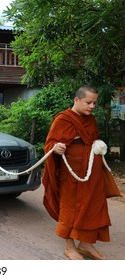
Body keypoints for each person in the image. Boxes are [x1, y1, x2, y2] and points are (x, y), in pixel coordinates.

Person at [42, 86, 118, 260]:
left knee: (93, 207)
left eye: (94, 103)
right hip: (72, 173)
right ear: (76, 100)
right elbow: (50, 144)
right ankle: (69, 247)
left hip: (92, 171)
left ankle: (85, 244)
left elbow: (92, 139)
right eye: (88, 102)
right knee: (70, 208)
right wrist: (56, 148)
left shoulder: (90, 119)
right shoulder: (63, 119)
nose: (92, 106)